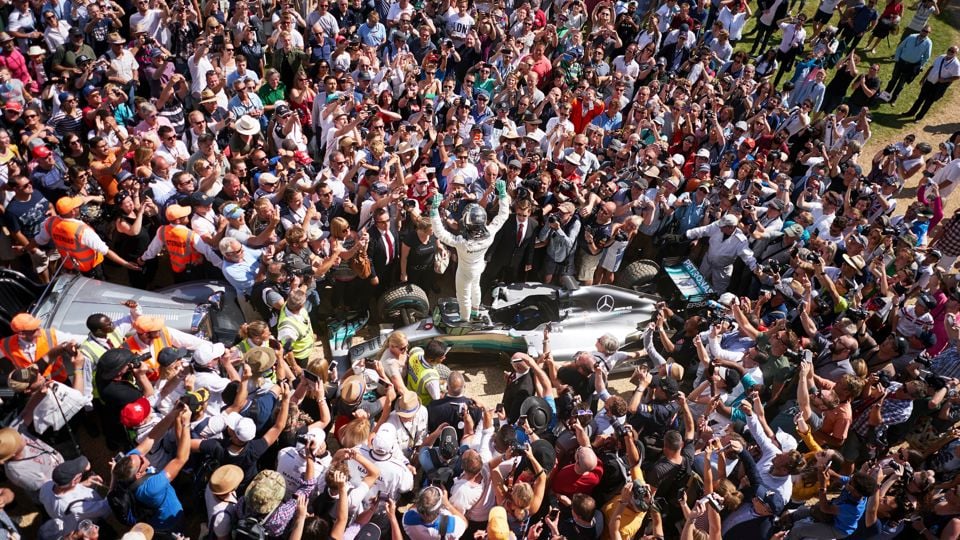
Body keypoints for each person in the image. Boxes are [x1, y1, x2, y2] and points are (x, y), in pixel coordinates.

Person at [429, 180, 510, 321]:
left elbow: (440, 233)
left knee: (463, 297)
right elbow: (503, 216)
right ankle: (475, 312)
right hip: (479, 267)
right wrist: (503, 195)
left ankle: (465, 321)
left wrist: (434, 211)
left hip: (464, 272)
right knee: (476, 287)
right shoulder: (489, 235)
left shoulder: (462, 243)